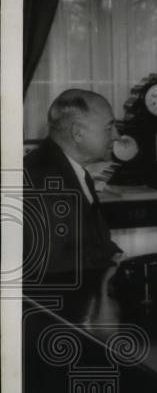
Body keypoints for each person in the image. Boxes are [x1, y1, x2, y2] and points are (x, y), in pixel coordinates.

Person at [23, 90, 121, 277]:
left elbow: (88, 241)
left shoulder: (70, 169)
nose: (116, 136)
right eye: (109, 129)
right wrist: (110, 263)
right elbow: (56, 265)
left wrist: (114, 253)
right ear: (78, 133)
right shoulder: (44, 179)